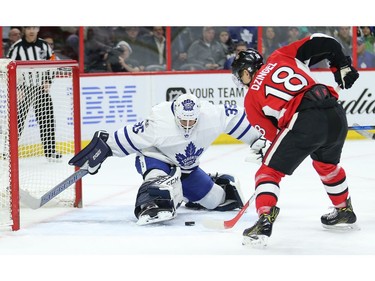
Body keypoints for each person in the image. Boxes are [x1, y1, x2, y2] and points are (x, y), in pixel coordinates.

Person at [231, 33, 360, 247]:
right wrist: (341, 65)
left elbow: (274, 135)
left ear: (246, 71)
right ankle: (344, 210)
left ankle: (264, 219)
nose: (241, 81)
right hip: (335, 112)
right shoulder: (280, 56)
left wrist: (271, 154)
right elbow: (325, 40)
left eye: (240, 75)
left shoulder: (251, 98)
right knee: (327, 165)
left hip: (305, 120)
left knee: (267, 172)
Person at [68, 93, 264, 225]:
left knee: (218, 200)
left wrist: (258, 140)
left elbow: (237, 118)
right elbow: (129, 136)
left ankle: (213, 183)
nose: (187, 125)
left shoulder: (211, 115)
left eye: (192, 120)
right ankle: (151, 201)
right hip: (156, 158)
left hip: (187, 168)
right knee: (158, 180)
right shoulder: (159, 122)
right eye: (183, 120)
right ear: (175, 114)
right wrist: (101, 151)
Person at [7, 26, 62, 161]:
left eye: (34, 28)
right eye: (28, 28)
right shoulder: (16, 48)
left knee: (47, 120)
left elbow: (53, 62)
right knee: (16, 122)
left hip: (41, 89)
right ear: (24, 30)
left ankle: (50, 151)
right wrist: (16, 88)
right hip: (23, 90)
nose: (31, 31)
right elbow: (8, 68)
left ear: (38, 29)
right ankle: (9, 151)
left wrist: (48, 80)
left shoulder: (44, 45)